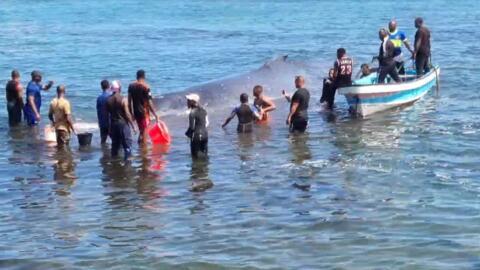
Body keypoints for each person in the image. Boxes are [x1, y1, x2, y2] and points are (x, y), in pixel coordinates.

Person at [107, 80, 136, 160]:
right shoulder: (123, 99)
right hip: (123, 124)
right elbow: (127, 113)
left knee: (115, 146)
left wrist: (109, 128)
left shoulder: (108, 100)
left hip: (113, 124)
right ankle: (127, 164)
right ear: (119, 88)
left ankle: (114, 164)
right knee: (127, 145)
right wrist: (133, 126)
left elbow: (108, 116)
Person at [128, 69, 159, 144]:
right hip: (144, 112)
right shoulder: (146, 87)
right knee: (144, 132)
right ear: (144, 76)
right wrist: (155, 114)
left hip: (136, 112)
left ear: (136, 76)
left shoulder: (131, 86)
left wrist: (131, 113)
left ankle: (140, 148)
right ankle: (144, 152)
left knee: (141, 131)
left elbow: (129, 101)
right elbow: (149, 102)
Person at [185, 94, 209, 159]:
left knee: (195, 157)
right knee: (204, 155)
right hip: (205, 135)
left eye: (188, 101)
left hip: (196, 136)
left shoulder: (192, 113)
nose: (187, 102)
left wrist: (187, 134)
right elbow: (207, 123)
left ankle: (197, 168)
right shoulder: (204, 110)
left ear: (193, 102)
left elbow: (192, 127)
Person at [96, 80, 111, 144]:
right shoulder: (111, 96)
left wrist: (99, 122)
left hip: (102, 122)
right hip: (110, 122)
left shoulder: (99, 98)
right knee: (115, 140)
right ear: (109, 86)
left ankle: (104, 152)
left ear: (101, 87)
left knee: (103, 140)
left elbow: (98, 111)